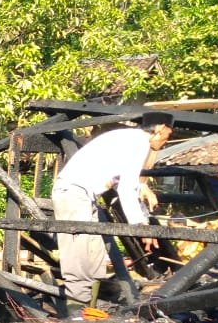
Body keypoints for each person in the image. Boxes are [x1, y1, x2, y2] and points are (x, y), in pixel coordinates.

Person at [52, 111, 174, 307]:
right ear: (159, 128)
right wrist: (142, 227)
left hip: (85, 196)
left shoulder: (129, 139)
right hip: (73, 193)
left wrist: (143, 195)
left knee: (95, 251)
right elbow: (126, 188)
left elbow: (128, 184)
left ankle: (91, 303)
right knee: (79, 251)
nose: (167, 141)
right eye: (168, 134)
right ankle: (76, 306)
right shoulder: (138, 142)